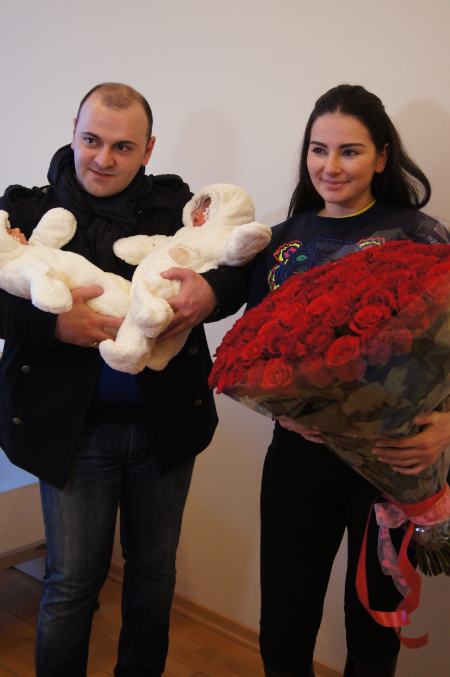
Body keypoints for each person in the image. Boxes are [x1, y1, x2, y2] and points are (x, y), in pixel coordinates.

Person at [0, 82, 249, 677]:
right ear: (73, 133)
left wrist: (211, 292)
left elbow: (237, 266)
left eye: (123, 147)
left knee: (154, 575)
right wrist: (52, 326)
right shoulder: (25, 210)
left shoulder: (178, 206)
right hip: (72, 432)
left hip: (164, 425)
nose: (103, 159)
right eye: (91, 140)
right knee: (71, 582)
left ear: (148, 149)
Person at [247, 84, 450, 677]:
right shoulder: (279, 242)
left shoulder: (421, 236)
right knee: (284, 625)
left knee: (374, 630)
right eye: (319, 149)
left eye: (350, 151)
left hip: (389, 465)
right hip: (297, 462)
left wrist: (446, 427)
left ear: (382, 157)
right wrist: (282, 410)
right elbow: (253, 349)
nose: (330, 167)